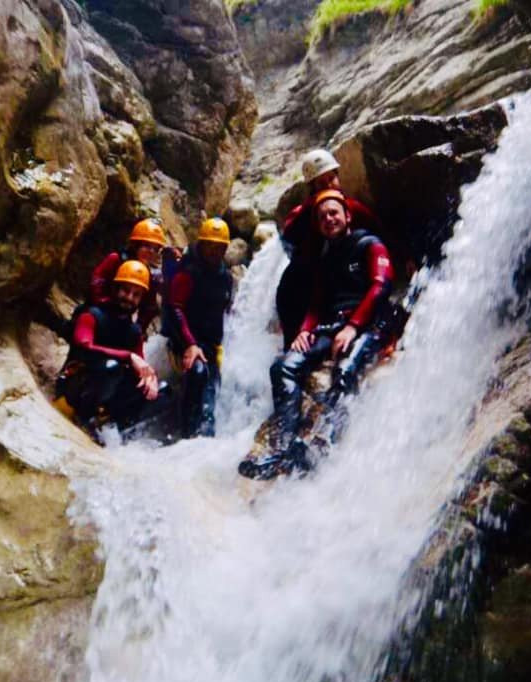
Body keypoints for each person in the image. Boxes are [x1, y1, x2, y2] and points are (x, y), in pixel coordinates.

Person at [240, 189, 394, 478]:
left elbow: (381, 286)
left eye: (334, 213)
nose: (329, 219)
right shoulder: (326, 259)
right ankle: (283, 446)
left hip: (368, 324)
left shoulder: (370, 245)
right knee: (283, 368)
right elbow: (316, 304)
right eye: (323, 216)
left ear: (348, 216)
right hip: (331, 326)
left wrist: (353, 326)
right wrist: (305, 331)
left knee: (345, 371)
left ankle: (322, 443)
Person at [276, 149, 383, 348]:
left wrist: (406, 256)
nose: (328, 186)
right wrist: (311, 209)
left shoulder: (349, 208)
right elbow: (288, 238)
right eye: (321, 183)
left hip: (326, 281)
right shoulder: (301, 214)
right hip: (297, 286)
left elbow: (379, 230)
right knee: (294, 343)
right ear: (312, 188)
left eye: (331, 179)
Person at [55, 260, 170, 439]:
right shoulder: (91, 315)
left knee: (162, 391)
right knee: (112, 368)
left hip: (105, 393)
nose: (129, 298)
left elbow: (138, 365)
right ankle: (85, 418)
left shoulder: (133, 331)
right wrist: (127, 356)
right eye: (125, 290)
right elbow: (83, 346)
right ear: (115, 289)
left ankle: (117, 429)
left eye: (136, 295)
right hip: (77, 386)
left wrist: (150, 379)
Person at [165, 217, 233, 438]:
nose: (214, 251)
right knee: (197, 373)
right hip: (183, 340)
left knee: (211, 392)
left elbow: (223, 311)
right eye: (210, 246)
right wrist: (190, 344)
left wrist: (218, 347)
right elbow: (176, 310)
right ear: (201, 245)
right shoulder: (188, 272)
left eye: (219, 247)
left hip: (209, 344)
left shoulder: (225, 277)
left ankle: (203, 441)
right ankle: (184, 434)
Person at [90, 218, 175, 334]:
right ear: (135, 245)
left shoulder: (149, 276)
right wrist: (104, 303)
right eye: (146, 245)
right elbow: (96, 282)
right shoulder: (116, 259)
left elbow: (149, 307)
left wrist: (139, 329)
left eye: (155, 249)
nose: (151, 252)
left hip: (122, 318)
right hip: (99, 312)